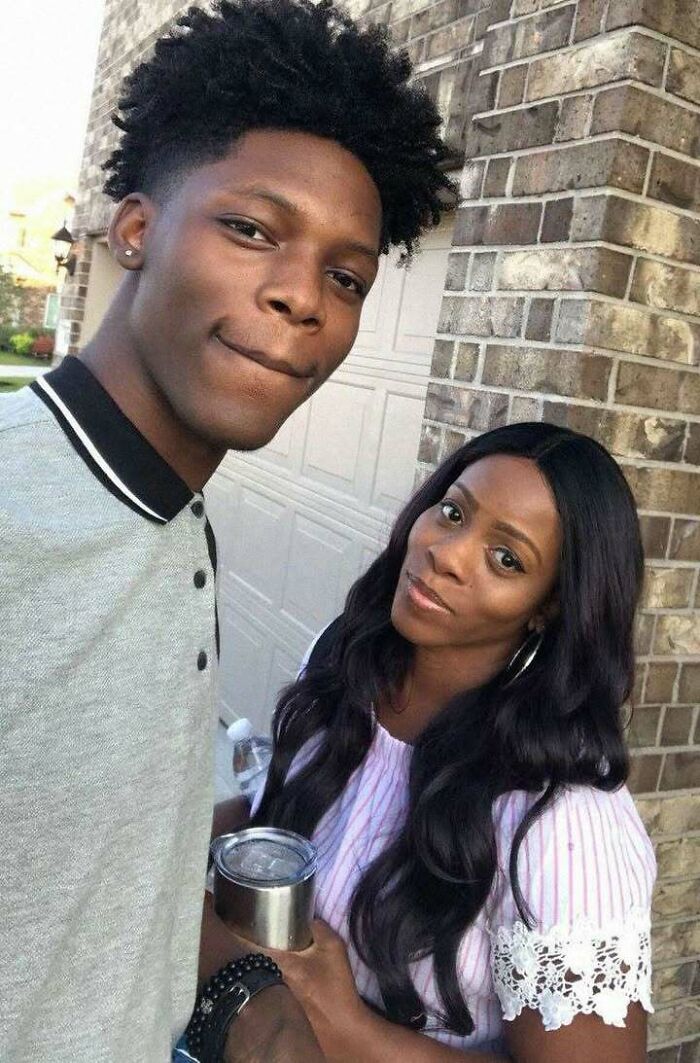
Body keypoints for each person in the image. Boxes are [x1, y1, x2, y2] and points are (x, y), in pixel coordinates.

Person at [0, 0, 455, 1059]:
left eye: (345, 278)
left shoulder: (177, 527)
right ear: (135, 230)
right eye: (252, 228)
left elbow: (126, 882)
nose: (302, 296)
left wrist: (243, 998)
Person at [243, 422, 657, 1062]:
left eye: (506, 559)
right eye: (454, 511)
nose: (448, 553)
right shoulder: (344, 659)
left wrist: (351, 1032)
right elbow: (271, 819)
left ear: (548, 607)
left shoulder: (561, 819)